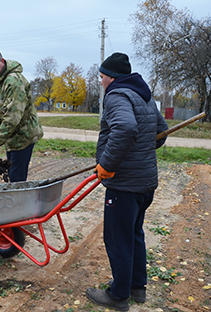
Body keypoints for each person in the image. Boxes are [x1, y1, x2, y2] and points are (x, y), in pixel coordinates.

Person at [86, 52, 168, 311]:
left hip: (124, 185)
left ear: (111, 77)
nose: (100, 82)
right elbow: (161, 132)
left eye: (101, 77)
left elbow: (125, 128)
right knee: (134, 234)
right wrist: (141, 151)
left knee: (118, 238)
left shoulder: (117, 95)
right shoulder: (144, 95)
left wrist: (108, 165)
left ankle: (118, 295)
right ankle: (136, 287)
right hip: (144, 184)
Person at [0, 47, 43, 182]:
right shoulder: (1, 80)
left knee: (16, 180)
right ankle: (15, 201)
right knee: (12, 176)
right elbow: (0, 107)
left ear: (2, 61)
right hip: (13, 137)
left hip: (23, 137)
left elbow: (12, 117)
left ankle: (20, 203)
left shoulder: (14, 82)